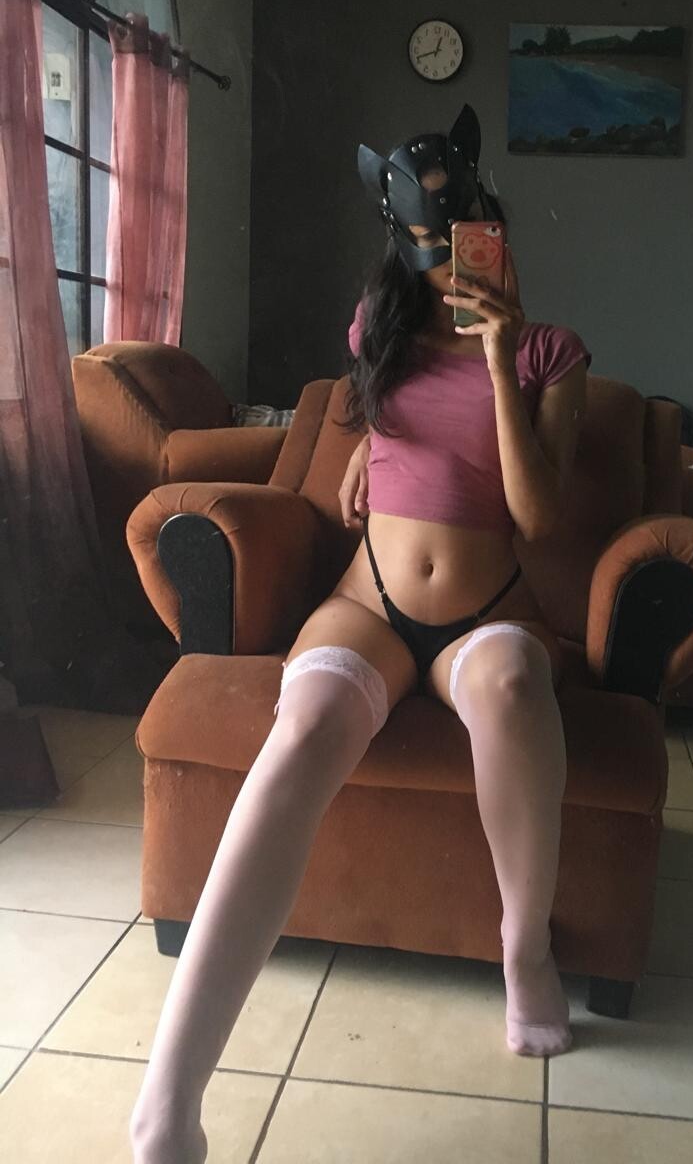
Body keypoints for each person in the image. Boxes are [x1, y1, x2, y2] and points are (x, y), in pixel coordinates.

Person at [129, 104, 591, 1164]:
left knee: (515, 689)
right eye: (430, 238)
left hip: (487, 613)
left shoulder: (550, 353)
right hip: (369, 600)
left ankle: (525, 946)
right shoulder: (373, 330)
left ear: (489, 221)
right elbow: (375, 415)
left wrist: (500, 354)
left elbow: (538, 516)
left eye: (466, 227)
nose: (452, 254)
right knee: (299, 733)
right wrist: (357, 459)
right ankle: (168, 1100)